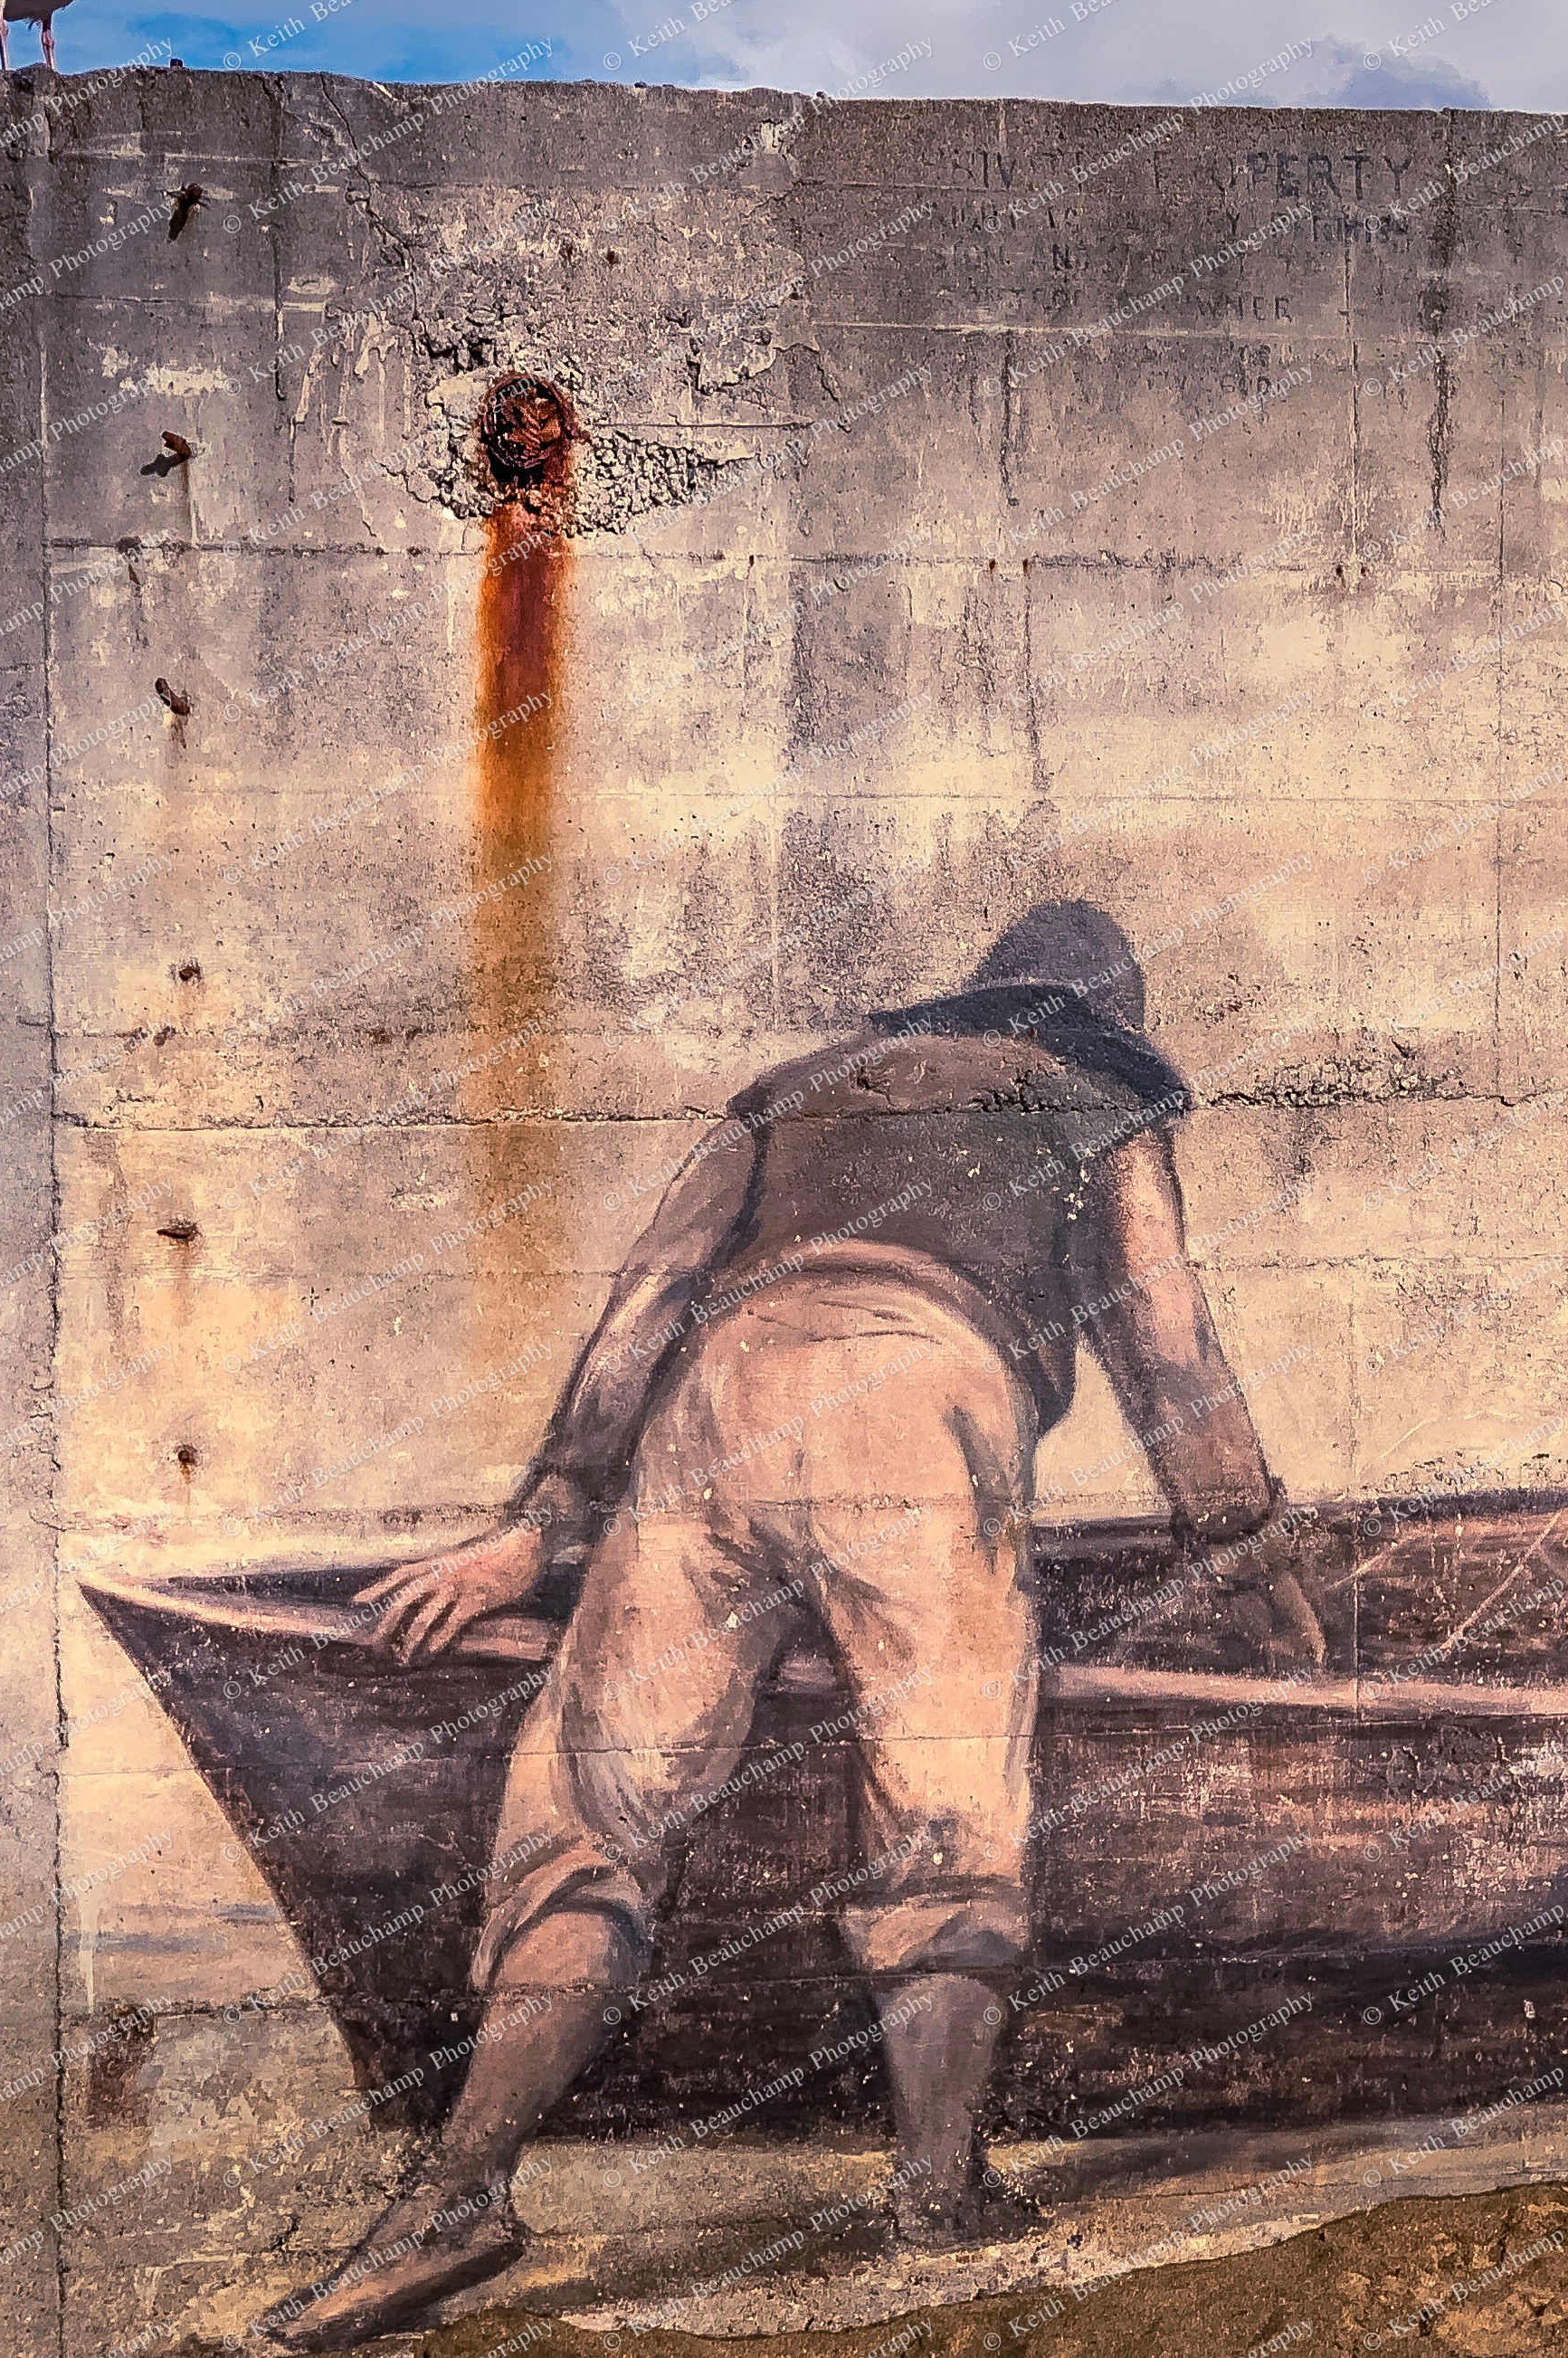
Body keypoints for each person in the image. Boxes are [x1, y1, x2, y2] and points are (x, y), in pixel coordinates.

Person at [258, 903, 1311, 2350]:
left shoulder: (796, 1088)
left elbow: (645, 1299)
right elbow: (1162, 1324)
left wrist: (544, 1519)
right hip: (916, 1404)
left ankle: (458, 2191)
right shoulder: (1095, 1098)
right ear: (1095, 1018)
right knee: (944, 1804)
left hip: (713, 1403)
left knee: (597, 1806)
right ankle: (938, 2189)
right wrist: (1236, 1530)